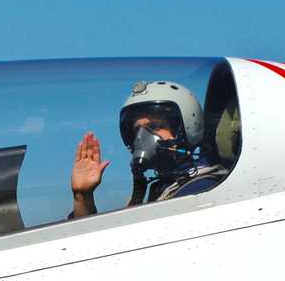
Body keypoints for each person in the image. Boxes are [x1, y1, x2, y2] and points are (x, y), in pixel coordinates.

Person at [70, 79, 231, 218]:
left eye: (155, 126)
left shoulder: (201, 191)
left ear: (186, 128)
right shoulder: (165, 189)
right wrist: (83, 197)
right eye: (136, 130)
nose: (142, 137)